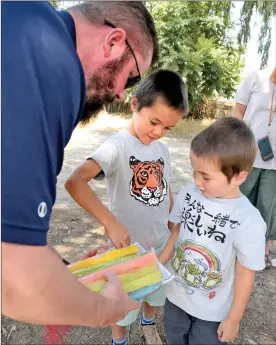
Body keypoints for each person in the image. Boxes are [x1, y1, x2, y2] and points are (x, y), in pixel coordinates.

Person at [2, 1, 158, 326]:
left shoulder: (26, 16)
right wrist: (105, 310)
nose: (119, 95)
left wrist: (60, 270)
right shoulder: (53, 65)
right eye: (130, 78)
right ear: (114, 41)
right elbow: (15, 285)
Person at [65, 70, 189, 345]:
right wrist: (110, 222)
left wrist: (171, 217)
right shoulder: (117, 146)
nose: (158, 132)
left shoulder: (163, 150)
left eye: (167, 128)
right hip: (127, 249)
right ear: (134, 104)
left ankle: (148, 322)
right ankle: (119, 339)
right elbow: (75, 182)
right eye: (154, 122)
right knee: (123, 303)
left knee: (155, 292)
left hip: (158, 242)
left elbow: (164, 187)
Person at [163, 117, 266, 345]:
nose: (197, 181)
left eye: (206, 176)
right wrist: (158, 263)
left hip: (212, 312)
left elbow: (245, 273)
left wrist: (234, 319)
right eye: (194, 172)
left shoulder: (248, 220)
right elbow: (176, 231)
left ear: (239, 176)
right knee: (173, 337)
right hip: (175, 297)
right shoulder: (188, 194)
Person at [233, 68, 276, 267]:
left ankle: (263, 248)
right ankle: (232, 243)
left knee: (267, 205)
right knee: (241, 199)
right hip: (249, 154)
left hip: (274, 162)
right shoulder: (256, 78)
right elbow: (238, 111)